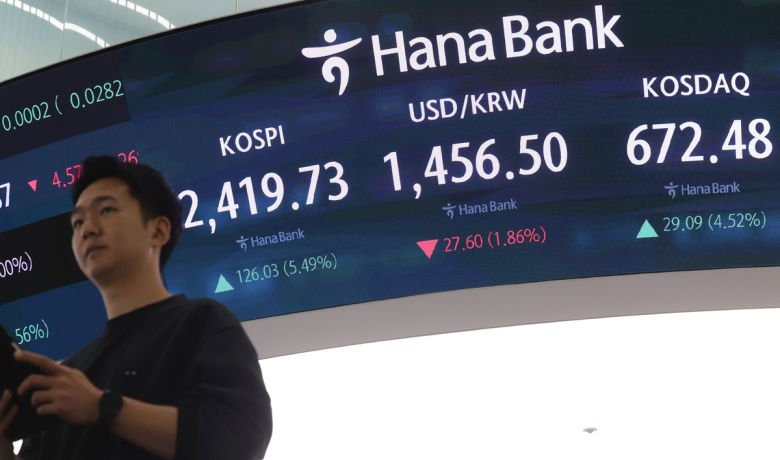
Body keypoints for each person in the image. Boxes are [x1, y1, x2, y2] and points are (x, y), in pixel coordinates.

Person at [0, 156, 272, 459]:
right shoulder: (65, 379)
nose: (87, 229)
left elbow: (236, 438)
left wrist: (102, 407)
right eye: (77, 222)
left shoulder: (201, 325)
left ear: (158, 231)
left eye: (106, 210)